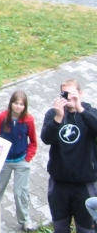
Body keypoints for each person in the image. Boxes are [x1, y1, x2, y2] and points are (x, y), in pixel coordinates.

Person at [41, 79, 97, 233]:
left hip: (84, 183)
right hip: (59, 183)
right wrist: (58, 118)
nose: (69, 97)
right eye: (65, 94)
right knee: (60, 228)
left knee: (86, 229)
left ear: (80, 93)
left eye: (73, 93)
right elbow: (46, 139)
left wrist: (80, 109)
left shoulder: (90, 112)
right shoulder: (53, 114)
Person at [0, 90, 38, 232]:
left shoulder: (28, 120)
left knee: (20, 193)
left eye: (21, 104)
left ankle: (25, 220)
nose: (18, 107)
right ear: (11, 103)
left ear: (25, 106)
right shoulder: (2, 117)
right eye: (16, 103)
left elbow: (33, 141)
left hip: (21, 161)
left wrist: (28, 158)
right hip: (4, 161)